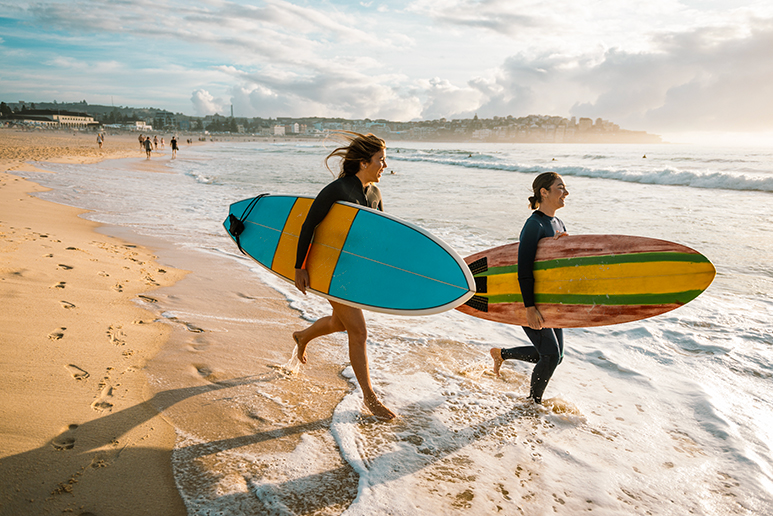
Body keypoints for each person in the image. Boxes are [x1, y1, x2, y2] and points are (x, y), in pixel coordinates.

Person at [292, 132, 395, 420]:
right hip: (332, 271)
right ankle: (370, 398)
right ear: (364, 163)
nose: (384, 165)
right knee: (358, 331)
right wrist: (300, 266)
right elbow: (309, 225)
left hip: (355, 272)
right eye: (381, 160)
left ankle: (303, 336)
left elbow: (381, 235)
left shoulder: (374, 193)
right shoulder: (338, 189)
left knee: (341, 322)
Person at [490, 172, 569, 404]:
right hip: (530, 299)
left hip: (549, 299)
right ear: (544, 192)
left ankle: (501, 354)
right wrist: (529, 307)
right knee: (551, 354)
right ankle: (532, 403)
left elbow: (557, 266)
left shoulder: (558, 223)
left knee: (556, 356)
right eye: (560, 187)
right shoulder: (533, 225)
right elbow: (523, 268)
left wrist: (564, 245)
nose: (565, 192)